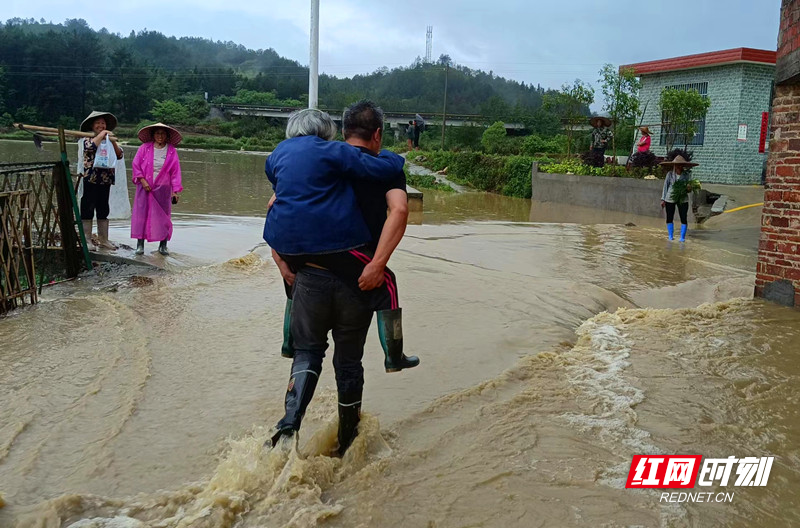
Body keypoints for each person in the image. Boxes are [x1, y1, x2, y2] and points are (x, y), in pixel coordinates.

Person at [267, 107, 418, 369]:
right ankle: (394, 357)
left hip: (297, 260)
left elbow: (276, 203)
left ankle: (289, 343)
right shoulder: (341, 155)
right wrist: (378, 264)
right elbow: (399, 207)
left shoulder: (292, 156)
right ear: (378, 134)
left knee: (307, 352)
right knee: (350, 360)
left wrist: (279, 259)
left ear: (345, 131)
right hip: (348, 263)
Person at [130, 123, 184, 256]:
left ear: (167, 136)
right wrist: (142, 180)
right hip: (145, 187)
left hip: (163, 188)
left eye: (163, 133)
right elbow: (136, 165)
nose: (160, 136)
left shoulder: (171, 151)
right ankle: (140, 245)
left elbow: (175, 172)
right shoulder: (144, 148)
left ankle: (163, 245)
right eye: (157, 133)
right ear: (153, 135)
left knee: (163, 216)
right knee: (141, 214)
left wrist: (175, 191)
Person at [78, 110, 124, 250]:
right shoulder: (87, 139)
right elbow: (90, 148)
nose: (101, 125)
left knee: (103, 208)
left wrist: (111, 140)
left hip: (105, 179)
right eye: (98, 123)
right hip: (91, 178)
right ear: (92, 126)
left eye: (103, 123)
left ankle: (103, 239)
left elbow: (119, 155)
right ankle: (87, 239)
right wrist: (102, 135)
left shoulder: (109, 139)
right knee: (88, 207)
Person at [660, 155, 698, 242]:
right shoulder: (669, 174)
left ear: (683, 166)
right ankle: (670, 236)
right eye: (677, 165)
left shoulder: (687, 175)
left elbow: (690, 188)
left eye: (680, 165)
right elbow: (665, 187)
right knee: (669, 217)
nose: (678, 167)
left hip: (683, 198)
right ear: (674, 165)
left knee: (683, 217)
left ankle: (682, 237)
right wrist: (663, 199)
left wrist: (689, 188)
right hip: (670, 197)